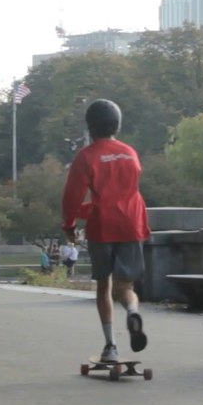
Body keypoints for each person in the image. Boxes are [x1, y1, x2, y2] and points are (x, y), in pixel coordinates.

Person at [61, 99, 151, 364]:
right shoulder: (130, 152)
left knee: (104, 286)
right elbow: (123, 194)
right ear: (117, 125)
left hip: (103, 226)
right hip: (132, 223)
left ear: (91, 127)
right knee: (126, 286)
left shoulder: (87, 156)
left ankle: (110, 346)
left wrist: (70, 225)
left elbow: (72, 196)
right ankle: (133, 311)